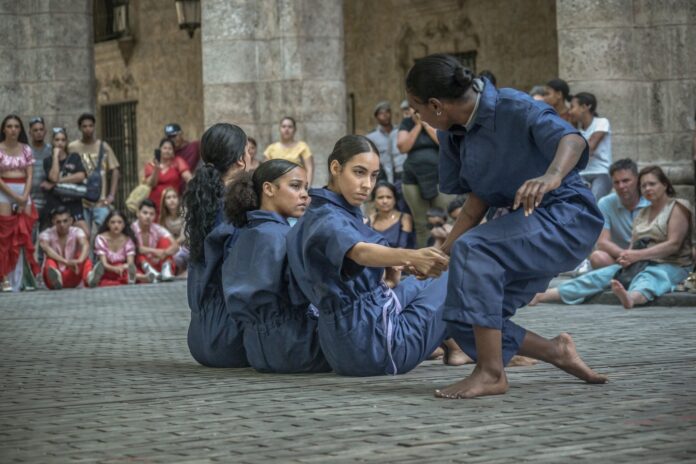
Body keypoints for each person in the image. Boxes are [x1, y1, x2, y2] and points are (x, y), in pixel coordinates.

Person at [405, 54, 607, 399]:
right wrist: (441, 254)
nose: (416, 117)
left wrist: (551, 176)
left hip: (568, 217)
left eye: (416, 109)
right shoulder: (456, 135)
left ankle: (491, 372)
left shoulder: (513, 105)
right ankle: (556, 351)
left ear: (436, 105)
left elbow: (572, 140)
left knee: (476, 249)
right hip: (521, 227)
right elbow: (474, 207)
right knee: (461, 316)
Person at [286, 134, 453, 376]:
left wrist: (394, 270)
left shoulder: (330, 208)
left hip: (342, 344)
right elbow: (360, 251)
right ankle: (492, 358)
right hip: (376, 345)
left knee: (429, 281)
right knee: (463, 277)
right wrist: (412, 257)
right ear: (335, 168)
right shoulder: (327, 217)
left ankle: (460, 346)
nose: (368, 184)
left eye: (374, 176)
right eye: (359, 172)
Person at [531, 166, 693, 309]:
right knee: (599, 276)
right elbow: (634, 245)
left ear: (664, 185)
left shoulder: (677, 206)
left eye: (652, 184)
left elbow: (674, 244)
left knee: (651, 277)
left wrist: (636, 256)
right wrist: (627, 258)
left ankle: (631, 298)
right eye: (643, 186)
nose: (647, 188)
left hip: (673, 264)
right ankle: (542, 295)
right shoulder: (642, 213)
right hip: (641, 262)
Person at [223, 159, 331, 373]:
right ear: (269, 189)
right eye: (295, 186)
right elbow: (310, 294)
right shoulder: (284, 236)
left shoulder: (243, 234)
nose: (304, 195)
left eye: (306, 188)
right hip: (299, 349)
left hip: (256, 353)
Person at [184, 123, 253, 368]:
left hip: (199, 340)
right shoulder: (236, 207)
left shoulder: (205, 202)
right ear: (240, 161)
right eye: (248, 151)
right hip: (229, 341)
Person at [397, 105, 455, 248]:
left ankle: (448, 258)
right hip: (412, 178)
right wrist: (417, 126)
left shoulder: (439, 119)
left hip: (440, 176)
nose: (416, 111)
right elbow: (403, 147)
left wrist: (425, 124)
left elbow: (445, 142)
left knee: (446, 219)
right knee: (422, 223)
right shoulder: (407, 123)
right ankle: (425, 260)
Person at [0, 115, 39, 292]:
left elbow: (30, 174)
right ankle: (4, 277)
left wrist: (24, 196)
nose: (13, 129)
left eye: (16, 126)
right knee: (5, 236)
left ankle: (25, 278)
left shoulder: (26, 149)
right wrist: (15, 197)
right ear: (3, 129)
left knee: (25, 235)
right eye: (9, 126)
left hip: (23, 190)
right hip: (4, 191)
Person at [590, 159, 650, 269]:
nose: (621, 186)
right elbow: (602, 242)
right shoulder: (605, 203)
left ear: (637, 179)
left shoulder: (650, 202)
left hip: (647, 256)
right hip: (619, 257)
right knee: (597, 257)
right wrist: (626, 256)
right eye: (616, 182)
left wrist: (636, 256)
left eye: (626, 181)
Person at [68, 113, 120, 233]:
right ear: (80, 128)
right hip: (80, 201)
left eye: (90, 126)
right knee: (83, 236)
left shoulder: (103, 146)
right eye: (85, 126)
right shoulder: (72, 147)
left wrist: (111, 196)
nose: (88, 129)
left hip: (100, 202)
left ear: (94, 127)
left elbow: (115, 170)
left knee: (105, 234)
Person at [42, 128, 89, 237]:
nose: (60, 143)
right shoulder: (48, 160)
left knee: (85, 234)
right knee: (59, 236)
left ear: (66, 142)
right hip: (56, 203)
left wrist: (56, 183)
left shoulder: (74, 157)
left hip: (74, 203)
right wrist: (55, 157)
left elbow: (80, 176)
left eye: (63, 140)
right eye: (57, 140)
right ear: (52, 142)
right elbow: (53, 177)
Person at [569, 92, 612, 200]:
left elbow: (589, 149)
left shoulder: (602, 122)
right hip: (581, 175)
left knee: (594, 203)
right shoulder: (577, 131)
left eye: (572, 107)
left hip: (601, 172)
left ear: (584, 107)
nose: (570, 112)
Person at [39, 206, 92, 290]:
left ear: (71, 221)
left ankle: (89, 278)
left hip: (74, 271)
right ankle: (56, 280)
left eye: (65, 221)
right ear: (53, 222)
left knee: (84, 258)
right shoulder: (46, 234)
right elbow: (47, 250)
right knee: (50, 260)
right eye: (58, 222)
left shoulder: (77, 231)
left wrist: (80, 260)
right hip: (53, 276)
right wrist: (66, 262)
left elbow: (85, 245)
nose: (62, 225)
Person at [88, 209, 138, 287]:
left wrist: (123, 267)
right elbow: (104, 264)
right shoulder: (101, 238)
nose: (116, 225)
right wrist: (115, 268)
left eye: (119, 222)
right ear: (108, 224)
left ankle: (134, 278)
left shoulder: (128, 240)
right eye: (113, 222)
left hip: (122, 270)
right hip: (107, 270)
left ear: (124, 225)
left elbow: (130, 264)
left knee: (125, 272)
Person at [132, 199, 178, 282]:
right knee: (136, 252)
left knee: (165, 241)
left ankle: (166, 269)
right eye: (145, 213)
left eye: (151, 214)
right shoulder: (132, 229)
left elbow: (175, 246)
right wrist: (155, 251)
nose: (148, 216)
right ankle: (149, 272)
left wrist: (164, 253)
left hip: (156, 261)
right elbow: (134, 248)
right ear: (138, 213)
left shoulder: (157, 228)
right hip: (139, 265)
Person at [143, 138, 192, 216]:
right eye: (165, 148)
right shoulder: (150, 165)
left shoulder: (178, 162)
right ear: (160, 150)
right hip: (154, 205)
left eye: (170, 148)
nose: (167, 151)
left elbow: (188, 178)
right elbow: (152, 184)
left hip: (171, 204)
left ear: (173, 151)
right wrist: (157, 167)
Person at [263, 117, 314, 186]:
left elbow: (309, 169)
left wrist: (307, 187)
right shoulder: (271, 148)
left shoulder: (302, 147)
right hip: (276, 187)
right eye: (283, 126)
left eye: (290, 127)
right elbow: (265, 171)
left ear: (295, 129)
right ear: (280, 129)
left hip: (297, 185)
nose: (286, 129)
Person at [366, 102, 406, 184]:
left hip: (402, 171)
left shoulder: (400, 131)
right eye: (381, 113)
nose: (385, 115)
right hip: (383, 175)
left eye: (387, 112)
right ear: (376, 117)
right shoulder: (371, 137)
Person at [368, 181, 413, 249]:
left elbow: (402, 247)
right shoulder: (371, 221)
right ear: (374, 200)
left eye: (389, 197)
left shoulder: (404, 218)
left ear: (395, 200)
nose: (385, 201)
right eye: (380, 197)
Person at [28, 117, 52, 225]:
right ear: (30, 132)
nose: (39, 132)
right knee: (30, 237)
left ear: (45, 131)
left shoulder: (52, 150)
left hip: (49, 200)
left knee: (46, 237)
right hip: (31, 201)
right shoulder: (26, 151)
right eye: (35, 130)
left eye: (41, 129)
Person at [158, 187, 188, 274]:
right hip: (172, 247)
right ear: (164, 201)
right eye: (168, 197)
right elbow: (163, 236)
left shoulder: (185, 212)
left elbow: (184, 236)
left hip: (187, 246)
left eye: (174, 197)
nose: (172, 200)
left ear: (178, 199)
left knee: (176, 256)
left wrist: (170, 248)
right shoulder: (163, 218)